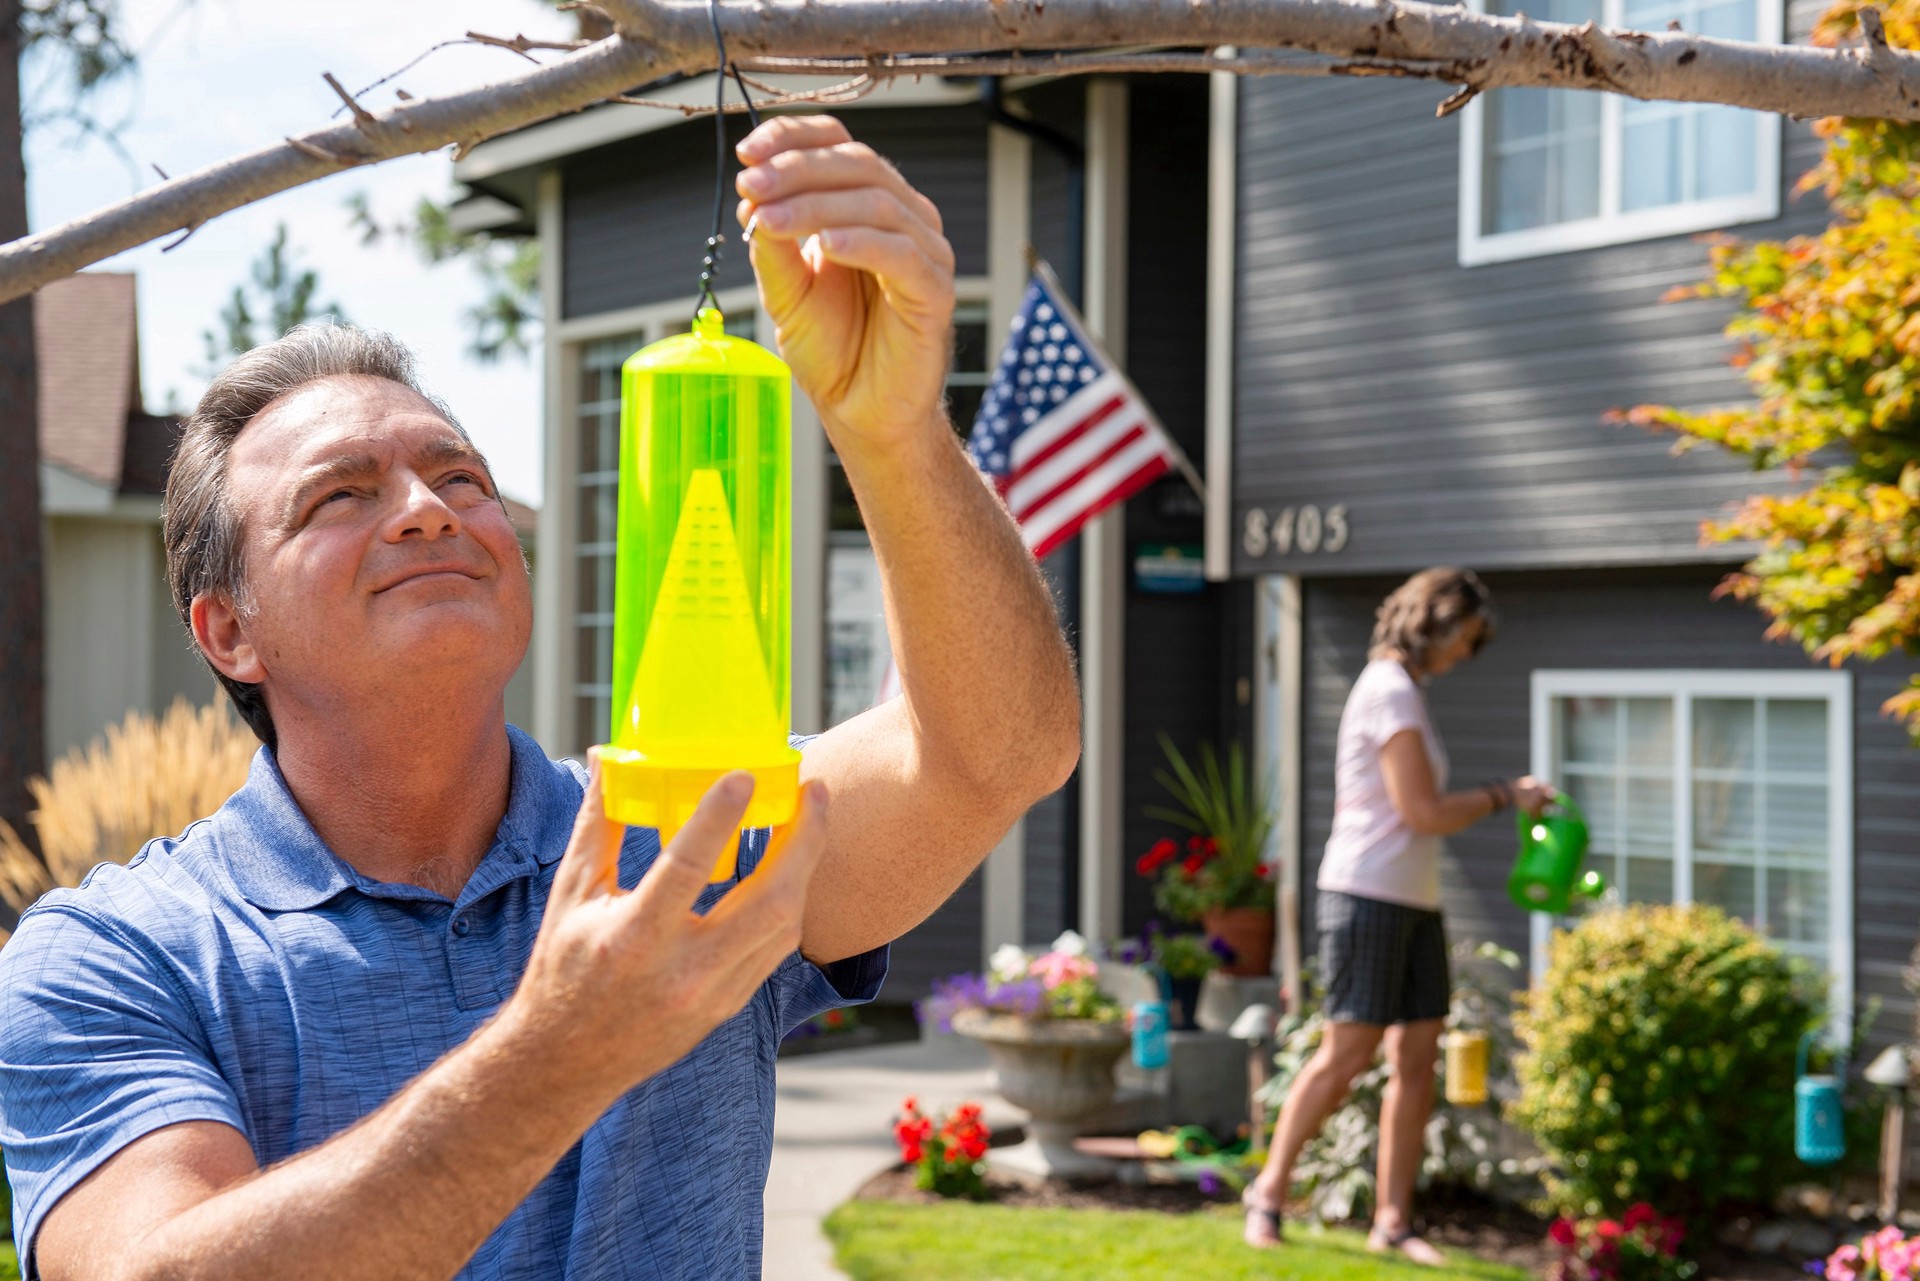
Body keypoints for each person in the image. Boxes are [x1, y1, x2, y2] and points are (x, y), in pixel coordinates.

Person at [0, 115, 1080, 1281]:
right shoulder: (120, 955)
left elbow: (997, 749)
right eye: (339, 497)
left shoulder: (687, 833)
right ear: (228, 630)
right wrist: (566, 1047)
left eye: (458, 474)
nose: (429, 506)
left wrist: (895, 433)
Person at [1241, 567, 1551, 1264]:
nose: (1465, 654)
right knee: (1346, 1052)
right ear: (1436, 621)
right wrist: (1509, 794)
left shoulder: (1404, 690)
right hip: (1366, 893)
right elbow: (1424, 812)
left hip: (1414, 899)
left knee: (1416, 1057)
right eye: (1466, 638)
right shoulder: (1388, 691)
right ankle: (1266, 1194)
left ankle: (1392, 1220)